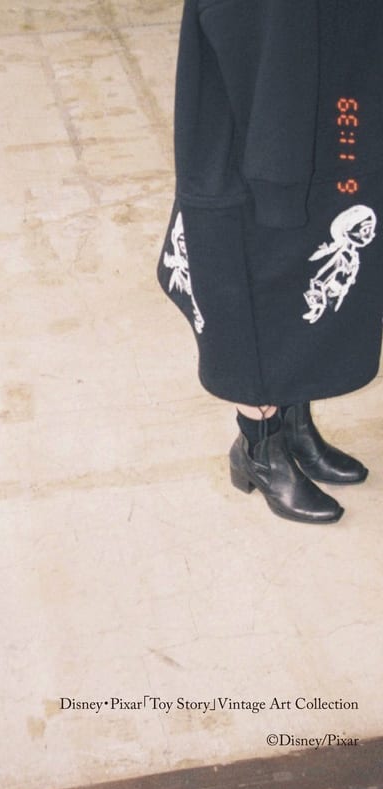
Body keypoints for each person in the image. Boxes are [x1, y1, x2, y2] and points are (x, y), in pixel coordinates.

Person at [159, 0, 382, 524]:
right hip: (261, 130)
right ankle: (259, 446)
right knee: (256, 290)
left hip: (329, 114)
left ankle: (295, 427)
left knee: (307, 278)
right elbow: (256, 36)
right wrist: (278, 171)